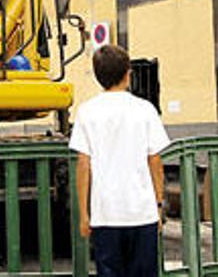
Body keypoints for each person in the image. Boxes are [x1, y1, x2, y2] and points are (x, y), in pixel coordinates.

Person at [69, 44, 171, 277]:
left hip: (105, 213)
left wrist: (84, 214)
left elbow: (83, 165)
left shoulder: (86, 112)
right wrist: (158, 204)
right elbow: (155, 161)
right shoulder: (145, 110)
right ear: (127, 73)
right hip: (142, 212)